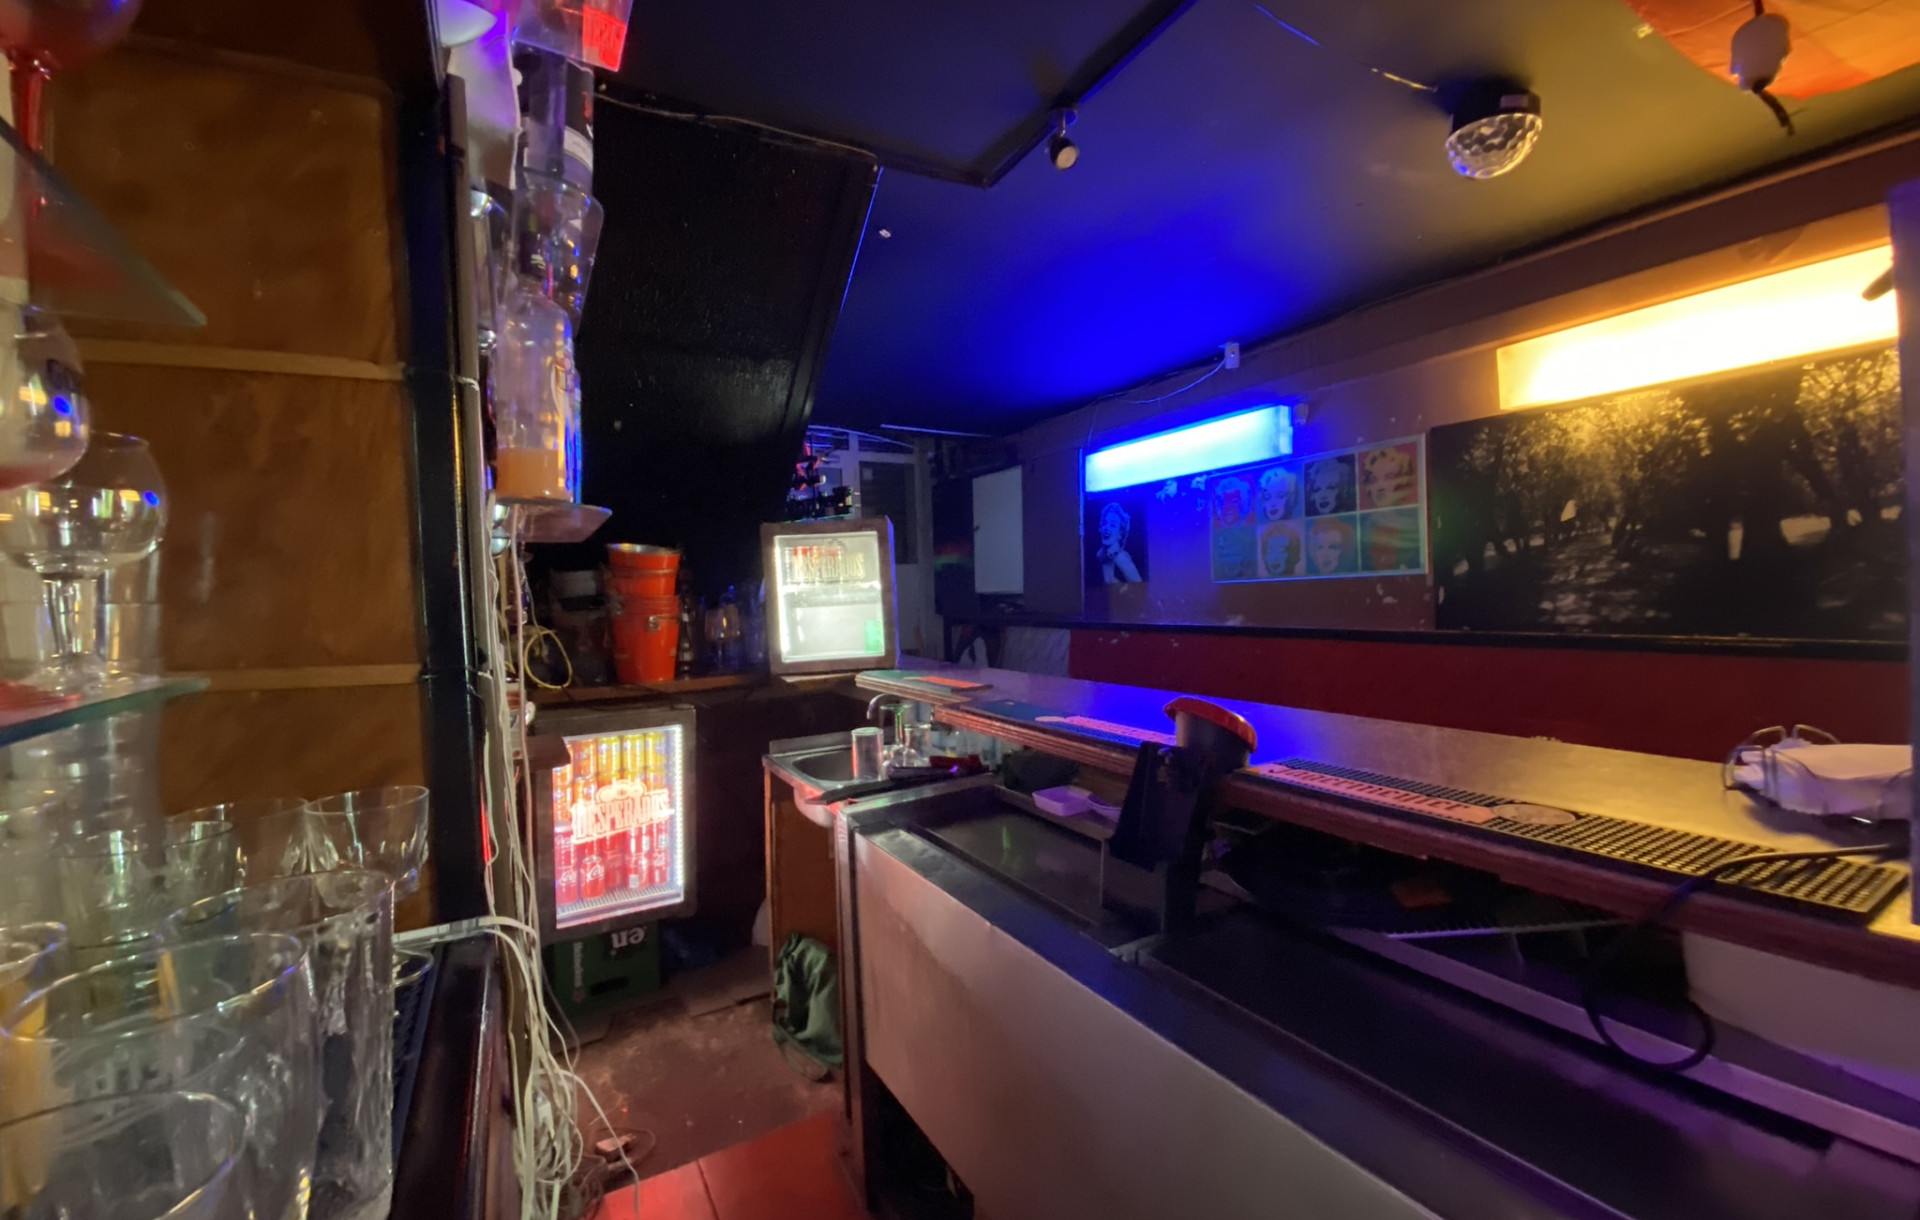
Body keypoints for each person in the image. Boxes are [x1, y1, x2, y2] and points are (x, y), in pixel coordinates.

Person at [1095, 501, 1142, 584]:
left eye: (1112, 525)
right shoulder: (1101, 556)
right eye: (1104, 523)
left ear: (1120, 534)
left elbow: (1139, 588)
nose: (1106, 528)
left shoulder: (1121, 558)